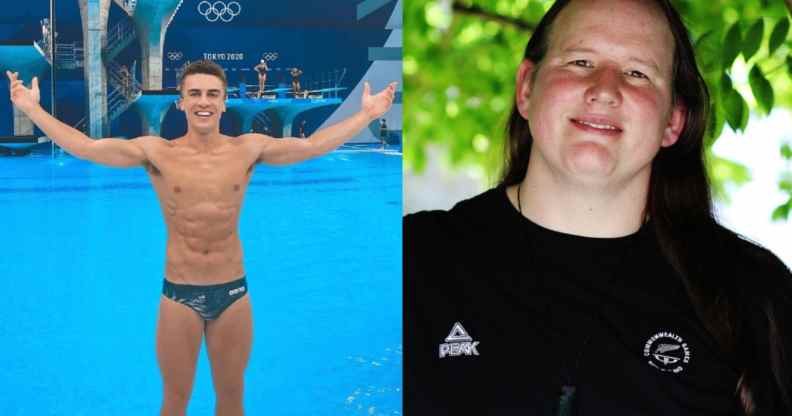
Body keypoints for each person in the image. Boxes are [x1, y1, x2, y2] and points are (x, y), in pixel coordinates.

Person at [403, 0, 791, 415]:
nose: (605, 90)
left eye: (637, 73)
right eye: (581, 62)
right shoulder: (407, 261)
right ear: (527, 89)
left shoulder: (751, 293)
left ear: (673, 121)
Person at [7, 60, 397, 416]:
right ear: (181, 103)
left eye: (212, 94)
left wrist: (366, 114)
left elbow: (311, 146)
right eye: (194, 94)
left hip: (233, 294)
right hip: (179, 295)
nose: (204, 102)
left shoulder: (248, 149)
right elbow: (88, 148)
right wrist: (32, 110)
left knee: (232, 397)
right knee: (175, 400)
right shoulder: (157, 152)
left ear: (225, 103)